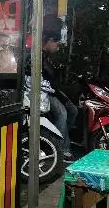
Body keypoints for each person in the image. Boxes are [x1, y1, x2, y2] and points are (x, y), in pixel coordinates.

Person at [26, 30, 78, 162]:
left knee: (73, 111)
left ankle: (57, 138)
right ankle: (62, 149)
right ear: (49, 41)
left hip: (52, 91)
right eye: (56, 43)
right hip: (44, 93)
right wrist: (54, 90)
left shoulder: (47, 56)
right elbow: (35, 79)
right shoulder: (35, 55)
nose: (57, 47)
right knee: (63, 114)